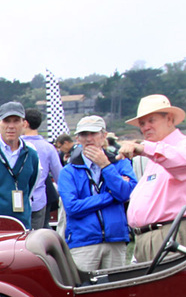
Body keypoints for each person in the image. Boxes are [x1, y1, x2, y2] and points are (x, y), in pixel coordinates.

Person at [116, 94, 186, 263]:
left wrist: (144, 148)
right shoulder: (155, 154)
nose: (146, 127)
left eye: (151, 120)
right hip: (155, 236)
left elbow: (184, 161)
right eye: (142, 124)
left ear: (170, 119)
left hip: (172, 234)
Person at [57, 116, 136, 272]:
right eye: (84, 134)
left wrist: (106, 166)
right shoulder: (68, 171)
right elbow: (72, 207)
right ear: (77, 139)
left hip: (116, 239)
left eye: (93, 133)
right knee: (83, 291)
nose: (89, 139)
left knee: (116, 291)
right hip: (83, 242)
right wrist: (110, 196)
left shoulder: (119, 163)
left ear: (103, 135)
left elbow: (126, 194)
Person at [23, 108, 64, 232]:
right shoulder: (48, 147)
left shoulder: (16, 145)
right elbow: (59, 176)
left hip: (15, 201)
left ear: (25, 123)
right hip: (39, 200)